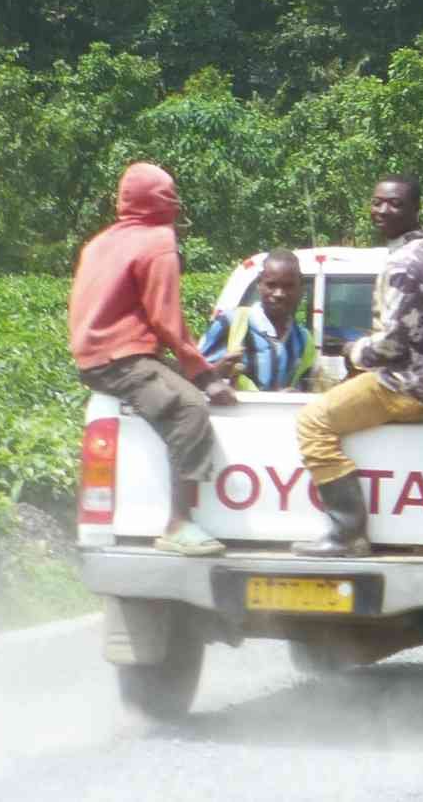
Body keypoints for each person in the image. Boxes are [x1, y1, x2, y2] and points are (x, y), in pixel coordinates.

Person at [288, 177, 423, 555]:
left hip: (408, 384)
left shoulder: (405, 263)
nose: (383, 211)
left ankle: (347, 532)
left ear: (416, 209)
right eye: (378, 203)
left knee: (313, 420)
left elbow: (390, 344)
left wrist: (353, 352)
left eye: (395, 204)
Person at [69, 161, 237, 557]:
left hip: (97, 355)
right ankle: (178, 523)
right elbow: (167, 319)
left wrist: (195, 367)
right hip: (121, 358)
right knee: (190, 408)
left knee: (178, 389)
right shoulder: (158, 241)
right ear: (165, 202)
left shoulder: (101, 241)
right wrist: (205, 377)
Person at [201, 249, 318, 392]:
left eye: (288, 286)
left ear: (301, 288)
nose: (279, 294)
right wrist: (217, 372)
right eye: (271, 285)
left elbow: (310, 390)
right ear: (259, 284)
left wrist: (296, 394)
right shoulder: (229, 323)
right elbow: (193, 380)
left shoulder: (304, 340)